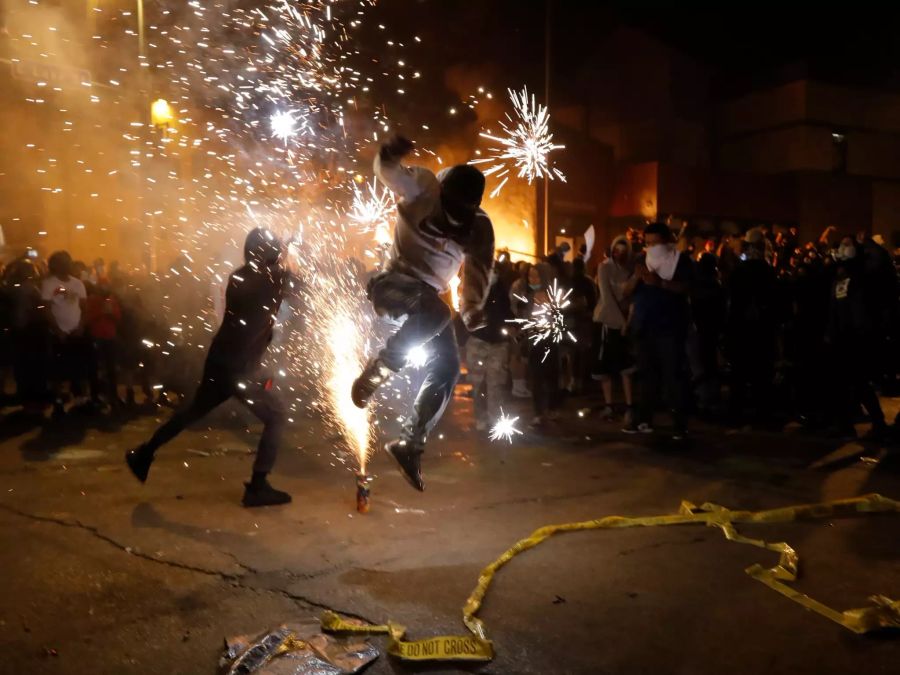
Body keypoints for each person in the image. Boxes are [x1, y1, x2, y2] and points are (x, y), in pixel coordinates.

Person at [351, 135, 494, 491]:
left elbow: (478, 271)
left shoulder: (478, 227)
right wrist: (389, 155)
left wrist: (474, 310)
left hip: (429, 300)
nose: (453, 223)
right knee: (437, 313)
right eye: (451, 211)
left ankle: (409, 444)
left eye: (462, 215)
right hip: (393, 283)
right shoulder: (424, 189)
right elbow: (390, 174)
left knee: (446, 367)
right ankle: (378, 371)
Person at [126, 228, 292, 507]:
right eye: (274, 248)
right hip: (240, 368)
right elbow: (295, 278)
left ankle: (144, 452)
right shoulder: (270, 279)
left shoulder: (239, 276)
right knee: (276, 416)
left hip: (222, 360)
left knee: (193, 410)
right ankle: (257, 486)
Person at [626, 222, 693, 440]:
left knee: (673, 376)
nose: (651, 247)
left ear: (666, 242)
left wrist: (661, 283)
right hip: (645, 327)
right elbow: (625, 291)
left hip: (670, 328)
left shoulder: (679, 260)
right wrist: (637, 277)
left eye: (655, 243)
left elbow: (687, 287)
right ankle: (644, 418)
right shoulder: (640, 261)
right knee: (646, 375)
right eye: (647, 243)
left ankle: (679, 424)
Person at [826, 236, 888, 438]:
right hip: (845, 338)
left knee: (857, 383)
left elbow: (856, 309)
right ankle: (848, 424)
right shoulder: (842, 276)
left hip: (852, 339)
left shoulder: (858, 276)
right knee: (846, 384)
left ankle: (877, 423)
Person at [725, 229, 779, 426]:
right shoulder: (767, 272)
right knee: (761, 377)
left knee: (739, 376)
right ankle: (762, 415)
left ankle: (736, 415)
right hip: (762, 331)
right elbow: (775, 303)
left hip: (741, 330)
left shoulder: (739, 272)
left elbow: (731, 303)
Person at [592, 235, 636, 423]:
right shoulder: (604, 268)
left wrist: (629, 320)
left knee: (626, 365)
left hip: (623, 322)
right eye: (616, 250)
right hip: (607, 321)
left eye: (623, 251)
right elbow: (607, 297)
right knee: (605, 366)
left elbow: (630, 298)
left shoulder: (627, 271)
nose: (619, 254)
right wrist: (622, 322)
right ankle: (609, 405)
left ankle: (630, 405)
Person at [41, 250, 89, 417]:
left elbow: (84, 307)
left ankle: (81, 400)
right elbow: (46, 309)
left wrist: (81, 326)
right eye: (63, 262)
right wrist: (57, 330)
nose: (67, 265)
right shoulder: (49, 284)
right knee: (57, 371)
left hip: (76, 333)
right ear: (55, 265)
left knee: (79, 367)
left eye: (68, 261)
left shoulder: (78, 284)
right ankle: (58, 401)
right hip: (58, 335)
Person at [514, 264, 562, 428]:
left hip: (550, 340)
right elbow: (522, 317)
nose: (533, 280)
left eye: (537, 276)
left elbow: (560, 319)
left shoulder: (553, 295)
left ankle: (552, 408)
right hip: (534, 341)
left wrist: (552, 305)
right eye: (530, 276)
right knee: (536, 377)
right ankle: (538, 413)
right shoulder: (527, 296)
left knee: (551, 376)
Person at [465, 265, 512, 432]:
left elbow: (506, 312)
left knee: (495, 383)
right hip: (479, 340)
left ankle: (494, 418)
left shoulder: (501, 290)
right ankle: (481, 418)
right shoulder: (474, 291)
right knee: (478, 383)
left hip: (498, 342)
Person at [84, 277, 122, 408]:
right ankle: (96, 396)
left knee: (111, 368)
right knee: (96, 368)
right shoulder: (92, 300)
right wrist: (101, 311)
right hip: (97, 337)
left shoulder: (112, 299)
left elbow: (118, 317)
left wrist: (111, 313)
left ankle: (113, 395)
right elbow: (87, 318)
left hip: (110, 337)